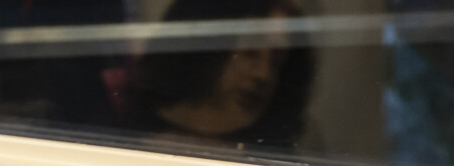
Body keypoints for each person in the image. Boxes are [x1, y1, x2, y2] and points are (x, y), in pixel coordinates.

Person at [122, 0, 316, 151]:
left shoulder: (280, 162)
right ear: (204, 50)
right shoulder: (117, 138)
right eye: (249, 52)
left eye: (277, 62)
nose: (263, 74)